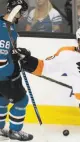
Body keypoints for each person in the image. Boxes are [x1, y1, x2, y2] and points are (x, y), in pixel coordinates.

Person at [0, 0, 33, 141]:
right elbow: (1, 61)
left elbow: (7, 52)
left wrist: (18, 53)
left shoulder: (7, 25)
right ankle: (15, 131)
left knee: (1, 100)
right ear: (16, 11)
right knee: (21, 100)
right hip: (4, 77)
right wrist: (13, 71)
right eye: (21, 12)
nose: (22, 16)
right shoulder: (4, 31)